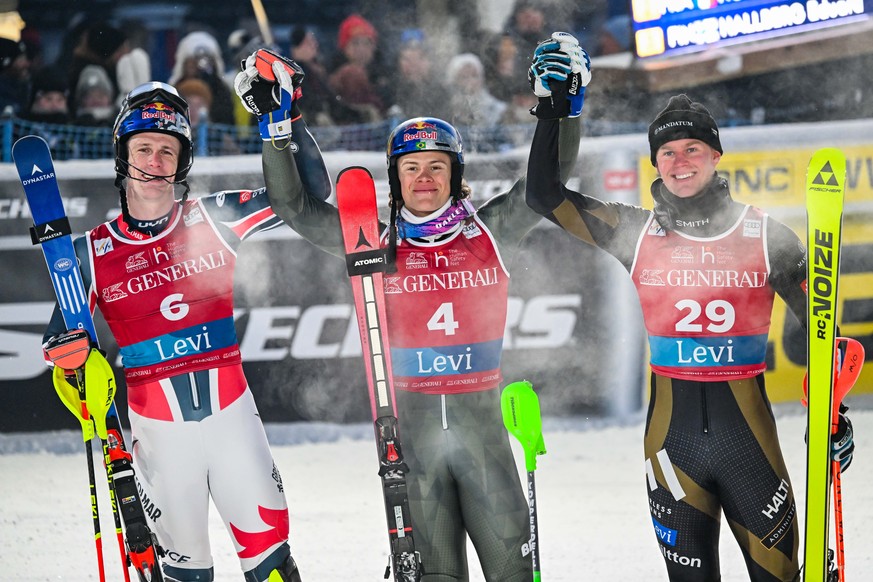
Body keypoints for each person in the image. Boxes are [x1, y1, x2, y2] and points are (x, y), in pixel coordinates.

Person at [232, 39, 587, 581]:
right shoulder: (371, 243)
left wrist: (563, 108)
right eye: (411, 167)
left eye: (436, 166)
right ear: (395, 179)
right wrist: (277, 124)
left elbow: (546, 188)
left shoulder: (490, 231)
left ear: (455, 171)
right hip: (412, 447)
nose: (424, 177)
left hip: (483, 439)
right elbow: (294, 207)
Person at [525, 82, 858, 578]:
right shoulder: (634, 232)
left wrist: (834, 414)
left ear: (716, 154)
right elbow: (544, 196)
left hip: (750, 450)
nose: (680, 161)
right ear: (655, 164)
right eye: (667, 152)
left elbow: (820, 326)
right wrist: (554, 111)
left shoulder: (765, 234)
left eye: (692, 148)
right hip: (669, 452)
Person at [41, 81, 322, 582]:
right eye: (143, 149)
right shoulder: (89, 252)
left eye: (167, 151)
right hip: (160, 443)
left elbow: (308, 195)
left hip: (234, 427)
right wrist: (72, 363)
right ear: (122, 157)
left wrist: (286, 119)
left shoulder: (214, 217)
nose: (154, 161)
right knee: (185, 573)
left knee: (273, 566)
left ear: (183, 162)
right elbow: (60, 343)